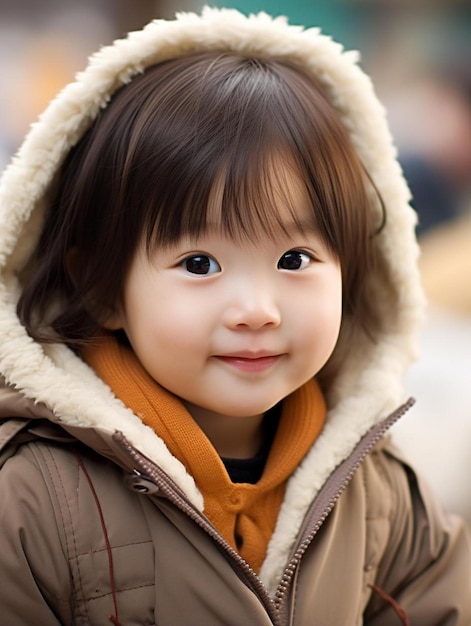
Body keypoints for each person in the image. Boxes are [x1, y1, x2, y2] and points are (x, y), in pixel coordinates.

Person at [0, 7, 469, 625]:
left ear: (356, 268)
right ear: (103, 286)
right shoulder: (30, 500)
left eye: (294, 257)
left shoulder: (382, 494)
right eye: (199, 264)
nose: (256, 311)